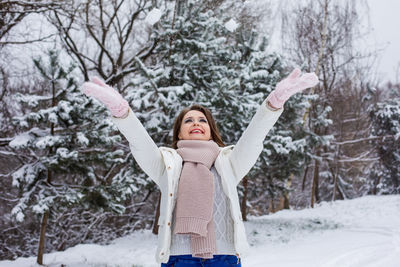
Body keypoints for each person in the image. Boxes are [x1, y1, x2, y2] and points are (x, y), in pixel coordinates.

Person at [81, 68, 319, 266]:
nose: (196, 123)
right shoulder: (168, 166)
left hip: (224, 257)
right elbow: (139, 143)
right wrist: (121, 111)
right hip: (179, 257)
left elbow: (255, 136)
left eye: (202, 120)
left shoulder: (228, 163)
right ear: (179, 132)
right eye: (189, 120)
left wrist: (274, 103)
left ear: (210, 130)